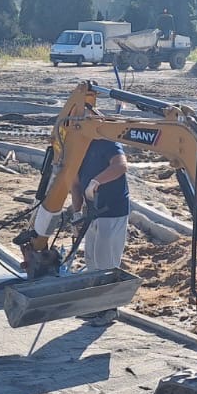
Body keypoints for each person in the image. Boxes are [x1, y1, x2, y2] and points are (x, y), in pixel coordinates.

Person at [72, 138, 130, 327]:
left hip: (112, 210)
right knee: (92, 260)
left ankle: (110, 309)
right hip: (92, 213)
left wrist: (97, 181)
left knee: (107, 262)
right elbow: (75, 184)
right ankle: (96, 306)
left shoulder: (106, 142)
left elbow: (120, 166)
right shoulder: (76, 147)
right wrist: (76, 212)